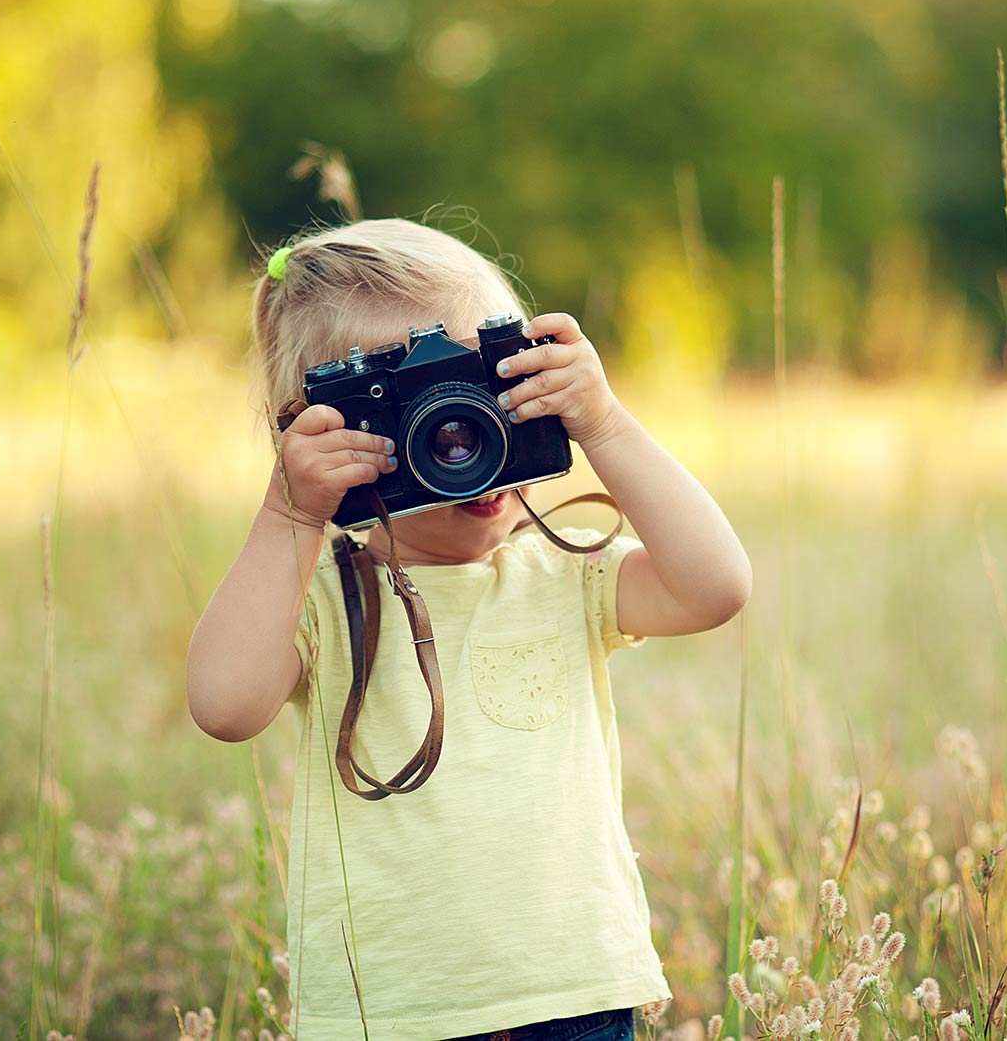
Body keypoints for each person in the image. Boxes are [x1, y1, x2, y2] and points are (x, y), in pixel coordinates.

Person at [186, 216, 751, 1040]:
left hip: (574, 991)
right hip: (386, 1010)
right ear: (322, 428)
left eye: (484, 391)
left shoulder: (564, 572)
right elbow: (224, 706)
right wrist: (291, 512)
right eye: (421, 414)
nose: (463, 437)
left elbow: (717, 587)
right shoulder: (319, 593)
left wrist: (605, 424)